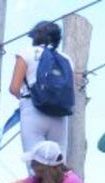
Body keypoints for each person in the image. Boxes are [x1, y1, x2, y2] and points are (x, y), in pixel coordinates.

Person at [9, 20, 72, 156]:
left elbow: (14, 88)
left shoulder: (26, 52)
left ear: (37, 36)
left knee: (35, 163)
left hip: (33, 109)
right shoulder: (66, 59)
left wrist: (29, 99)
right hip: (60, 114)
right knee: (58, 165)